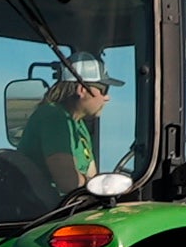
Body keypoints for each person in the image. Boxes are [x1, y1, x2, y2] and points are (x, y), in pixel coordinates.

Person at [11, 50, 117, 194]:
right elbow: (69, 182)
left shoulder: (79, 127)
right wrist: (97, 185)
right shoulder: (54, 117)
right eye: (104, 90)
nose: (107, 98)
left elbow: (92, 177)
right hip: (51, 212)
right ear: (82, 90)